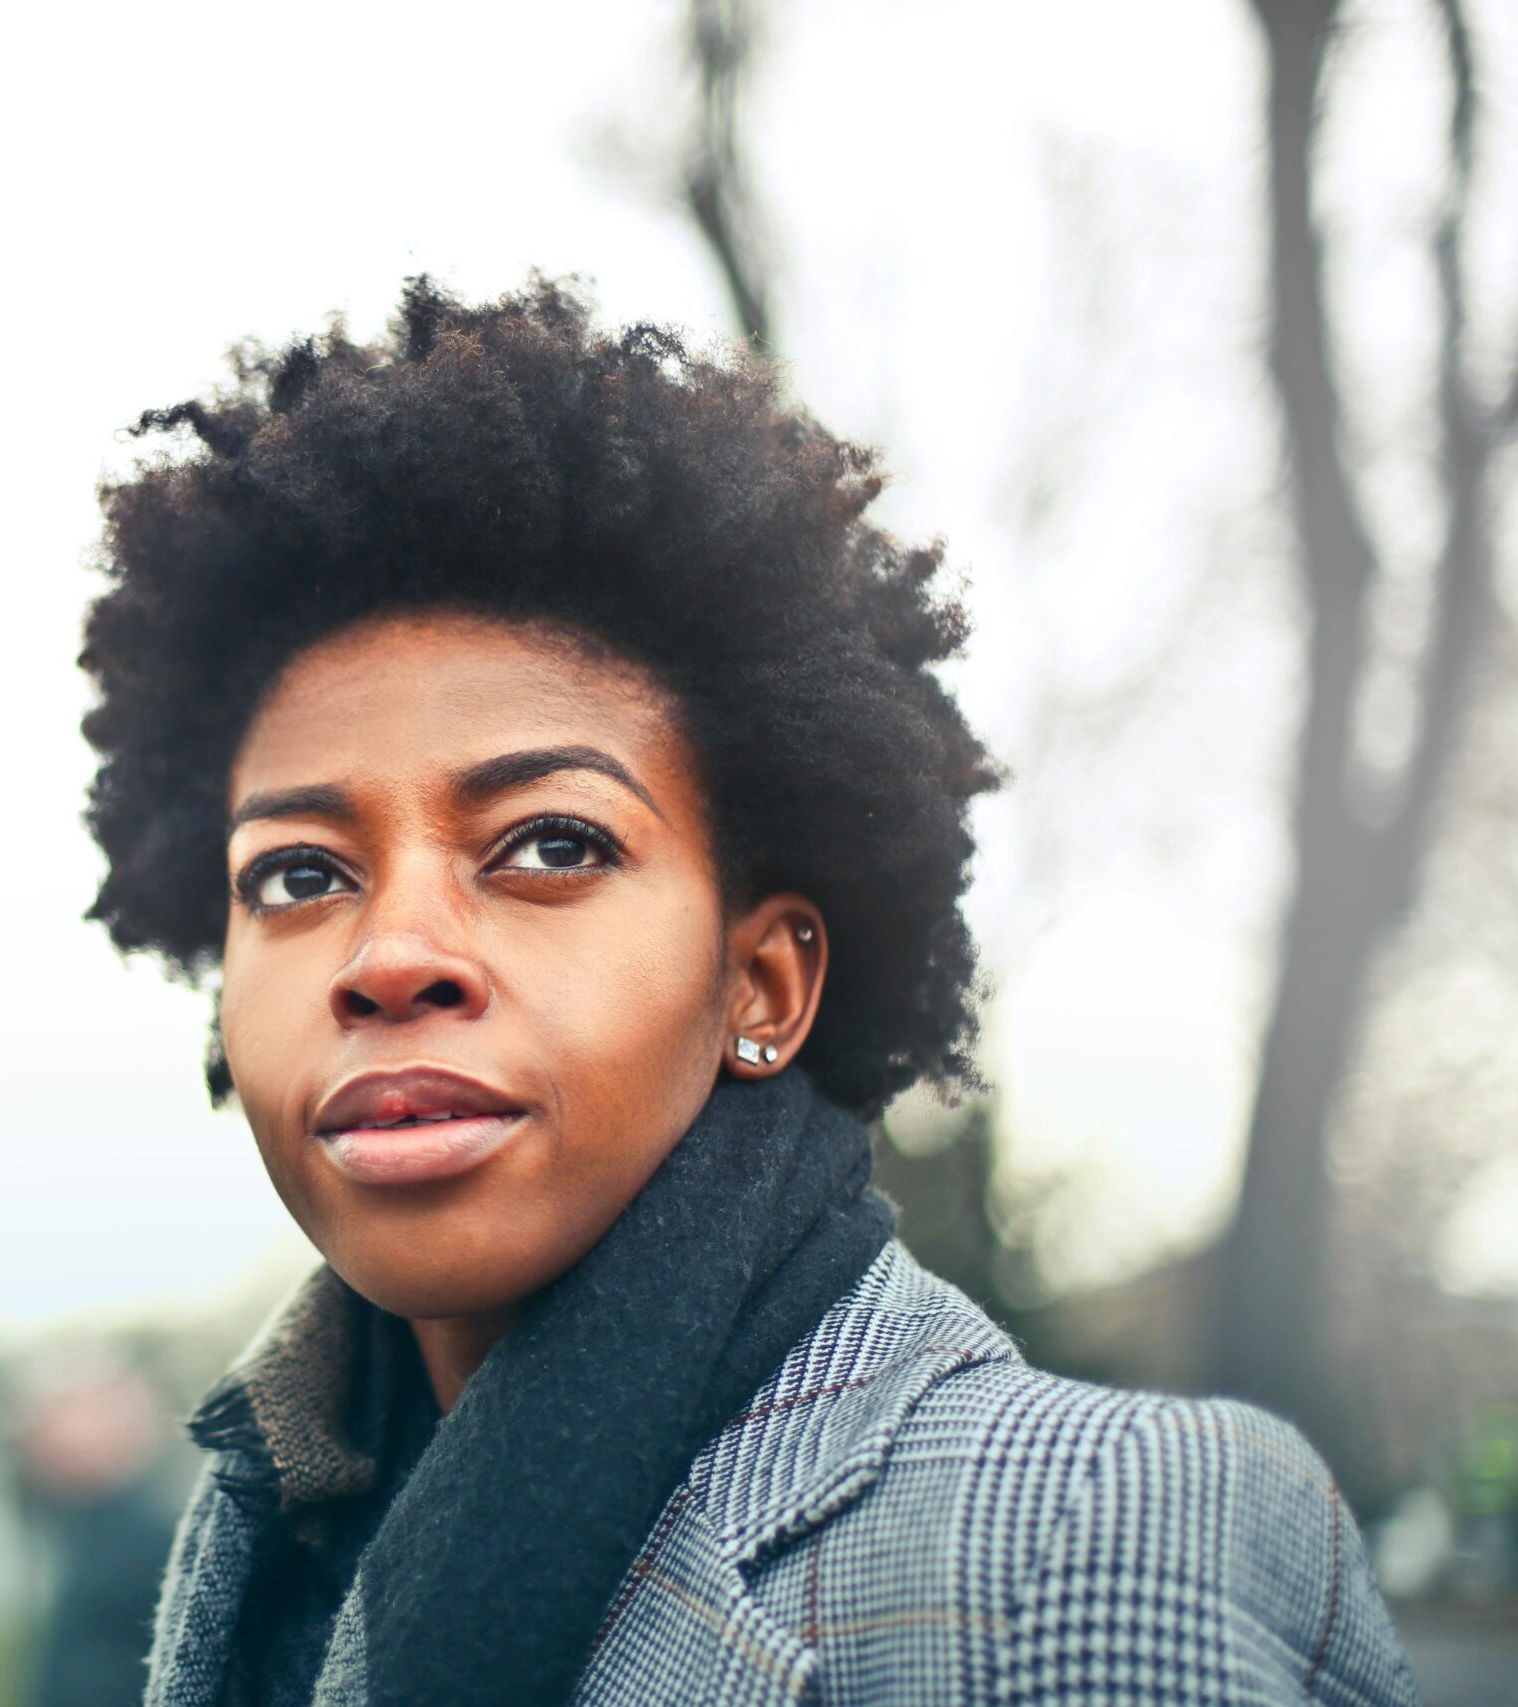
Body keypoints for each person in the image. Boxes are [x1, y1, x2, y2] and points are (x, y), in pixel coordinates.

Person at [73, 277, 1418, 1706]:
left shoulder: (1099, 1542)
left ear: (760, 985)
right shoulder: (263, 1532)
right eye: (296, 877)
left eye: (550, 846)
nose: (390, 955)